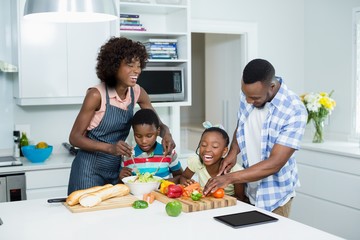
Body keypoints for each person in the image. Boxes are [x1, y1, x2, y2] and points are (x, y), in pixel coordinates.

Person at [67, 37, 175, 195]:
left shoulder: (137, 92)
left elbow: (158, 124)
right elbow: (74, 138)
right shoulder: (96, 95)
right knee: (86, 214)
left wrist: (167, 134)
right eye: (130, 65)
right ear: (114, 66)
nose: (137, 71)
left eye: (138, 66)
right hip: (88, 169)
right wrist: (110, 148)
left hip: (116, 169)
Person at [203, 59, 308, 217]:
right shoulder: (250, 93)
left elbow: (275, 163)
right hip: (248, 191)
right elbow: (242, 125)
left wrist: (229, 178)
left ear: (271, 87)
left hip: (274, 198)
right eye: (245, 95)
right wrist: (233, 152)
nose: (248, 101)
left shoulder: (294, 110)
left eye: (254, 98)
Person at [180, 122, 245, 201]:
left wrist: (220, 199)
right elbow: (184, 177)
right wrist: (186, 183)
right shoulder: (196, 162)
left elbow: (240, 198)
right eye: (203, 145)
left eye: (214, 146)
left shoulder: (235, 170)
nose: (207, 149)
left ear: (224, 151)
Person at [119, 108, 183, 183]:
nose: (144, 141)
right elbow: (122, 182)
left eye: (149, 136)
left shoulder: (169, 153)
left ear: (158, 131)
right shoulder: (127, 156)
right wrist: (120, 177)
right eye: (138, 136)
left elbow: (181, 177)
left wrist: (162, 183)